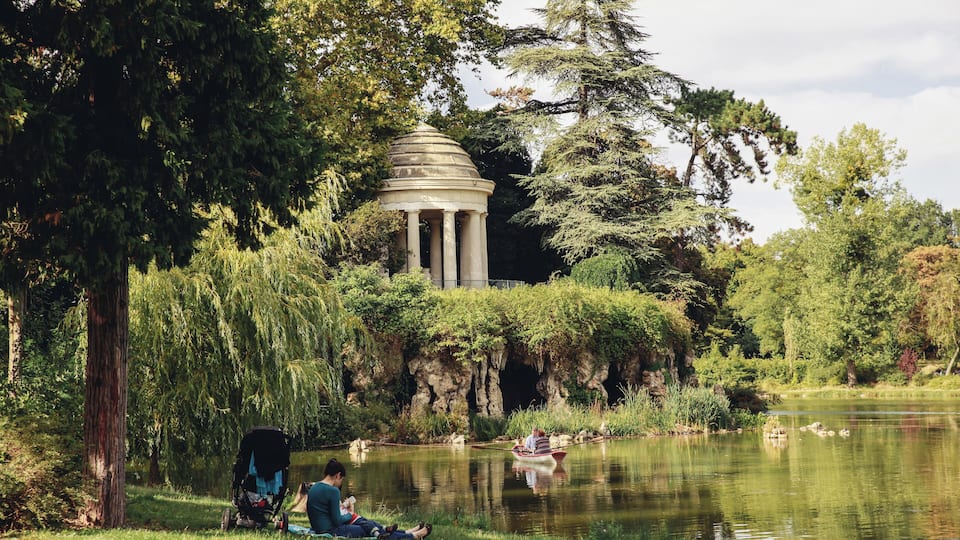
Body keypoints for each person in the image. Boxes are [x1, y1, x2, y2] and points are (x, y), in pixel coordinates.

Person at [306, 458, 431, 539]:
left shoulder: (314, 487)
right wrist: (350, 513)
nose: (341, 483)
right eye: (342, 479)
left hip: (319, 528)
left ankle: (409, 533)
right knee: (367, 530)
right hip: (332, 530)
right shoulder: (332, 491)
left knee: (371, 525)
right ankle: (414, 536)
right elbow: (338, 520)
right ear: (338, 475)